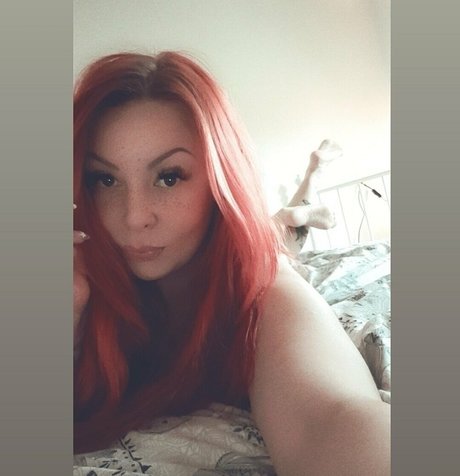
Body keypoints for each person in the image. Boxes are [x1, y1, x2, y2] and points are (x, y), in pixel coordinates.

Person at [74, 51, 390, 474]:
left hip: (262, 247)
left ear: (219, 178)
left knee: (279, 236)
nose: (134, 217)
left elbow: (333, 418)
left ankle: (311, 182)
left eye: (169, 177)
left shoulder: (266, 291)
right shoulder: (83, 279)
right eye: (105, 179)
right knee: (278, 226)